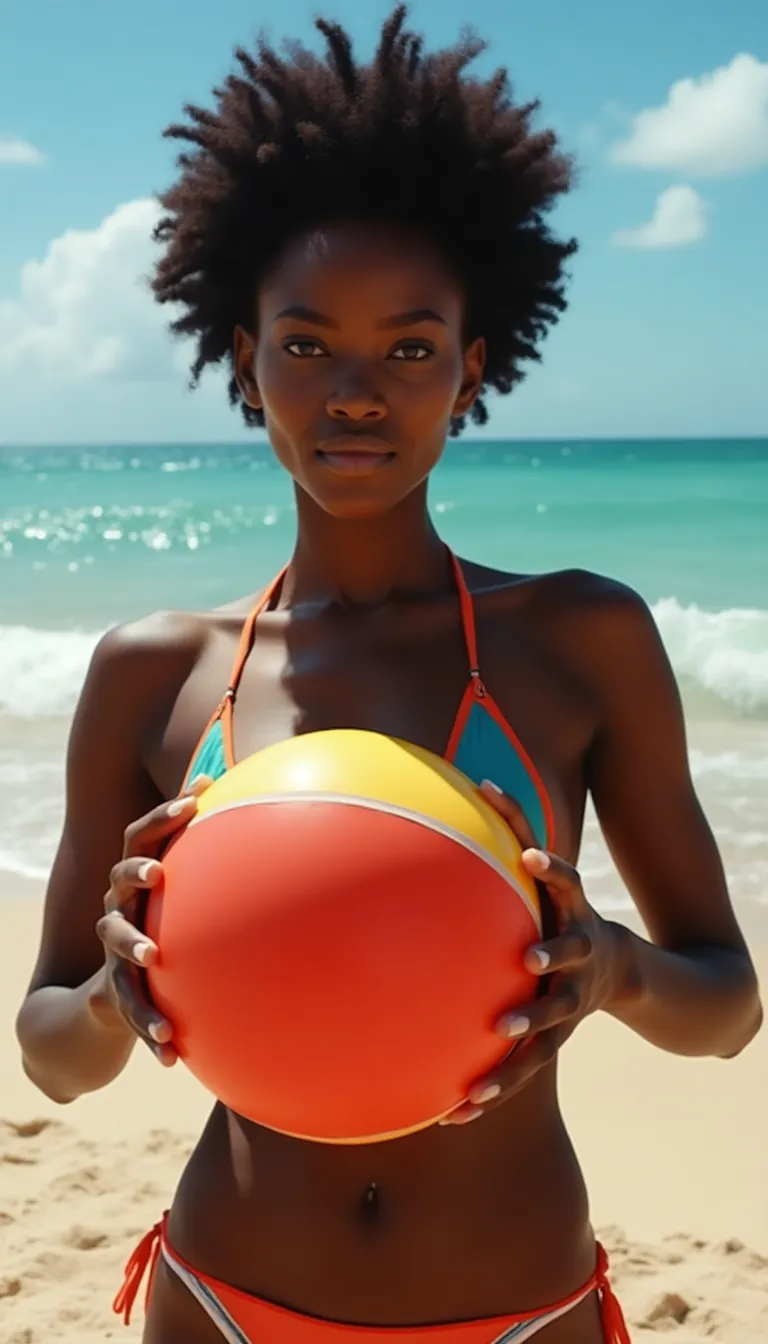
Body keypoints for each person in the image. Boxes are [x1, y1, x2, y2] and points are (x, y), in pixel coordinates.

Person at [15, 8, 762, 1343]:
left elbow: (726, 1007)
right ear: (245, 364)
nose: (356, 391)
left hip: (520, 1305)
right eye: (307, 344)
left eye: (410, 349)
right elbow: (52, 1055)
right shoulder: (157, 673)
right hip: (226, 1298)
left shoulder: (577, 641)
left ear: (473, 372)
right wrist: (117, 993)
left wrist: (613, 973)